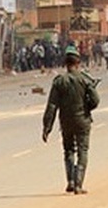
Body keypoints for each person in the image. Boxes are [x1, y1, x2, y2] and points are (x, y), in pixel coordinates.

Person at [42, 45, 100, 194]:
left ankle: (70, 181)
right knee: (83, 151)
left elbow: (52, 106)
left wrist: (47, 128)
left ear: (65, 63)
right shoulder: (85, 80)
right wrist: (86, 108)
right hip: (82, 120)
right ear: (78, 62)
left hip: (65, 122)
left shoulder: (59, 81)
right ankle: (79, 184)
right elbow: (95, 100)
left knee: (68, 150)